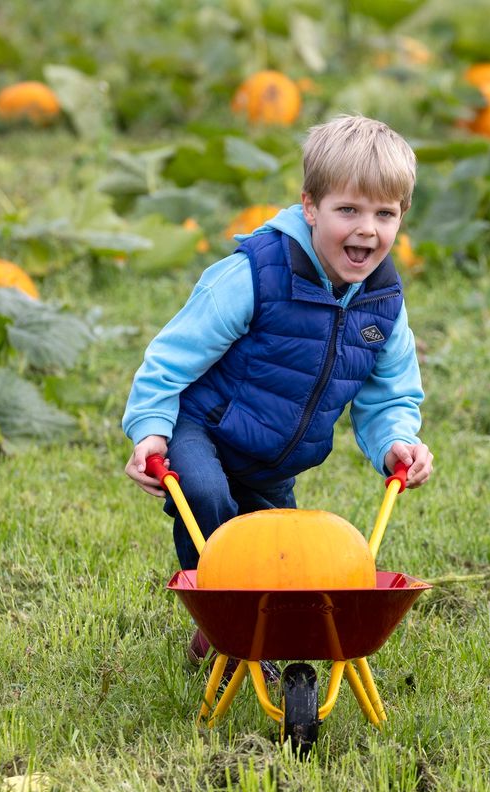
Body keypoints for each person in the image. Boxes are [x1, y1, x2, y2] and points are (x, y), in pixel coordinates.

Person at [122, 114, 434, 678]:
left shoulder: (382, 304)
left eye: (384, 215)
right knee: (209, 502)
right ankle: (220, 628)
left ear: (401, 218)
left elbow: (387, 394)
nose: (367, 230)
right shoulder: (255, 274)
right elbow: (172, 356)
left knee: (283, 573)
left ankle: (223, 633)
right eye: (348, 210)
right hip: (205, 430)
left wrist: (396, 443)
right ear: (310, 207)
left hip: (274, 461)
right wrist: (150, 428)